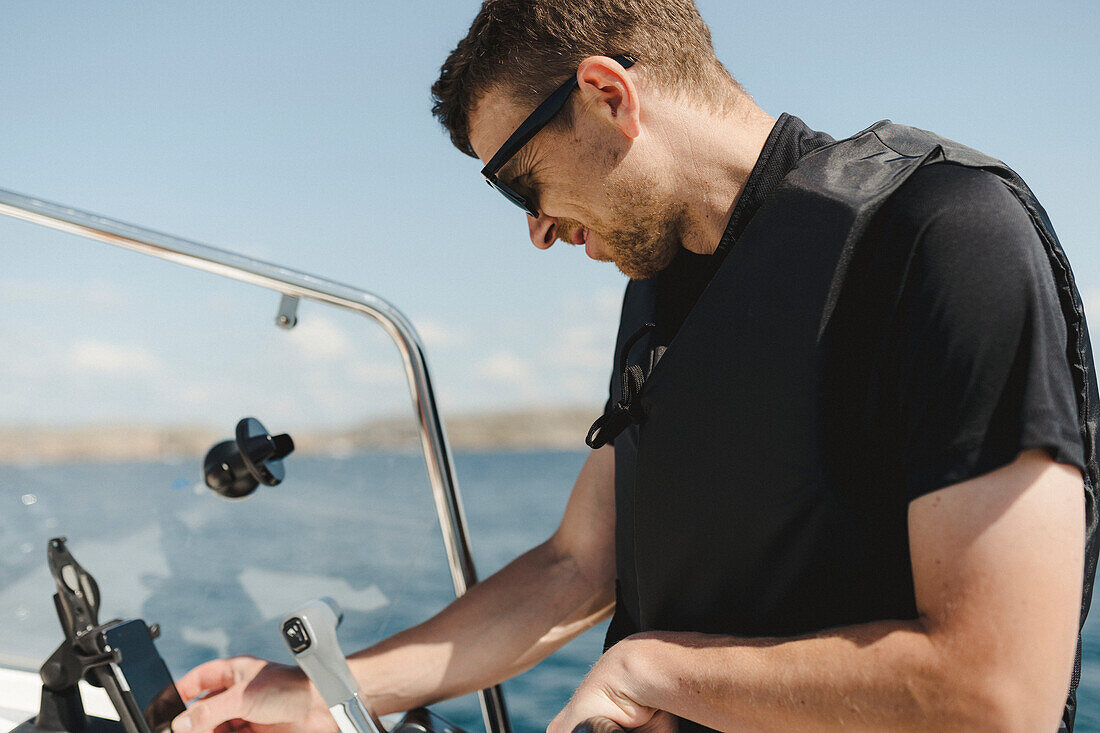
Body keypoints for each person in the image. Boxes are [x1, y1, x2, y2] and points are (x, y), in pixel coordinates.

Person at [170, 1, 1098, 731]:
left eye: (518, 182)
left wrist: (652, 668)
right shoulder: (663, 285)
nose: (535, 230)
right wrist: (324, 689)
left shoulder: (941, 236)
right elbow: (579, 563)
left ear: (609, 95)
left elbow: (997, 695)